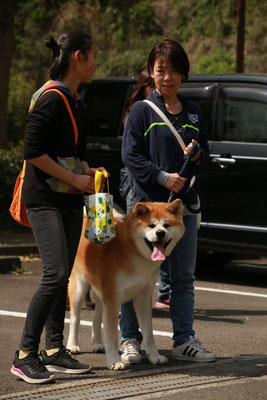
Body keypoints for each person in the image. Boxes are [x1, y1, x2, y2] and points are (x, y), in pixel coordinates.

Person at [11, 31, 106, 384]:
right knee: (53, 275)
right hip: (44, 199)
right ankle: (24, 355)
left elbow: (73, 153)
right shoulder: (51, 98)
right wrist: (72, 175)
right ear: (78, 57)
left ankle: (53, 351)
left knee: (63, 275)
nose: (97, 64)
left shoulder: (77, 101)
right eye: (94, 57)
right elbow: (32, 152)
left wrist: (86, 172)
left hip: (68, 197)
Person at [120, 38, 216, 365]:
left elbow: (204, 154)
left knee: (183, 278)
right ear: (151, 72)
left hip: (181, 210)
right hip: (146, 212)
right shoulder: (142, 111)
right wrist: (163, 177)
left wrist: (199, 155)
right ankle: (129, 340)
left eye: (174, 71)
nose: (168, 77)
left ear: (183, 74)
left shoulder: (193, 112)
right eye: (161, 71)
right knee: (135, 276)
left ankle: (184, 340)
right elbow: (130, 155)